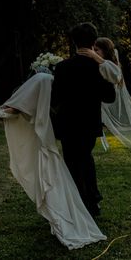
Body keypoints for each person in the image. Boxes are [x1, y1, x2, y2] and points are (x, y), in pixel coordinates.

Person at [0, 74, 108, 249]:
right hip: (51, 132)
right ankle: (14, 106)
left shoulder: (58, 81)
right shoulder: (50, 88)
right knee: (57, 174)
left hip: (62, 131)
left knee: (42, 78)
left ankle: (14, 106)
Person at [50, 23, 116, 217]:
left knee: (71, 161)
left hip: (67, 124)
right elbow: (109, 97)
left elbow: (55, 98)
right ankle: (92, 201)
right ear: (93, 41)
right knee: (86, 158)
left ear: (73, 42)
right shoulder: (98, 67)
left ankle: (76, 203)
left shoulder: (62, 67)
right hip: (89, 123)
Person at [77, 37, 131, 151]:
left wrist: (96, 57)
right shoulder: (95, 64)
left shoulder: (109, 65)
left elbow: (116, 75)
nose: (93, 53)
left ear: (105, 51)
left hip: (105, 100)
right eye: (92, 50)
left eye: (97, 50)